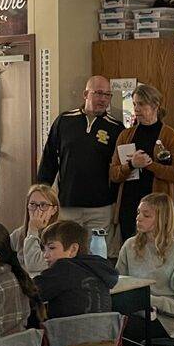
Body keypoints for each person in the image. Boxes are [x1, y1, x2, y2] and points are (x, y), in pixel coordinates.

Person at [36, 74, 121, 237]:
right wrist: (41, 195)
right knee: (66, 247)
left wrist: (117, 203)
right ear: (85, 94)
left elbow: (119, 169)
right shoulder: (64, 121)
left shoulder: (116, 128)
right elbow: (49, 160)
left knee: (97, 251)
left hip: (101, 207)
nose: (103, 99)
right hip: (68, 204)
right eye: (99, 93)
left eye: (108, 95)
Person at [109, 83, 174, 248]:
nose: (136, 109)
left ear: (155, 106)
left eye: (141, 104)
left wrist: (149, 165)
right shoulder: (126, 135)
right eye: (134, 104)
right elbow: (114, 174)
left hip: (157, 208)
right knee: (131, 250)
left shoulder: (170, 136)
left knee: (157, 252)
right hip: (130, 205)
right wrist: (131, 165)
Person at [115, 194, 174, 342]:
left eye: (146, 215)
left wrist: (151, 301)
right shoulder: (130, 246)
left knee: (112, 327)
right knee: (99, 318)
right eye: (138, 213)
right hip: (132, 311)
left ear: (162, 219)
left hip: (162, 320)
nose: (139, 218)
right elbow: (118, 284)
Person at [35, 218, 119, 321]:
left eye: (51, 248)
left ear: (73, 249)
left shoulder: (63, 267)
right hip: (104, 330)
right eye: (43, 249)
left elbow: (31, 292)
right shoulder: (99, 268)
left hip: (68, 331)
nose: (45, 255)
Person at [10, 183, 60, 275]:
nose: (37, 210)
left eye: (43, 205)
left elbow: (34, 265)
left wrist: (33, 229)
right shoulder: (19, 233)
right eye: (32, 204)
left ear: (53, 210)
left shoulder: (60, 235)